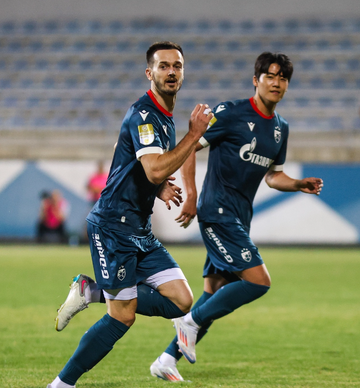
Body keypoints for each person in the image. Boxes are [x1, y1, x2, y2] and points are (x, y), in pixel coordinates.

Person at [148, 51, 324, 381]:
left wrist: (298, 183)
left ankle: (166, 359)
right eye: (270, 76)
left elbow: (274, 176)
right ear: (256, 80)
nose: (276, 82)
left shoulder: (280, 129)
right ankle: (189, 321)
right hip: (217, 213)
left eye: (282, 78)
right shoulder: (231, 113)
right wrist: (192, 195)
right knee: (258, 282)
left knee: (214, 293)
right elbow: (189, 149)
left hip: (240, 217)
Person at [47, 41, 214, 388]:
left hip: (138, 228)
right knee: (121, 316)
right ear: (149, 73)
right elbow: (153, 169)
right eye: (164, 66)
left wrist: (155, 187)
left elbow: (124, 153)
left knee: (182, 300)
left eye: (177, 66)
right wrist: (194, 134)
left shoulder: (160, 115)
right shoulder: (145, 113)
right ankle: (61, 385)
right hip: (112, 227)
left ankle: (91, 290)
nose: (171, 72)